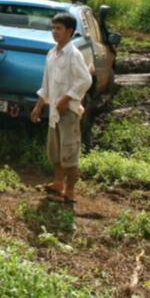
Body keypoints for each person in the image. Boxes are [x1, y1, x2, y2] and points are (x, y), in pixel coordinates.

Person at [30, 12, 92, 203]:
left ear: (70, 31)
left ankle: (70, 191)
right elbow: (46, 83)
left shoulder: (73, 54)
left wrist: (67, 99)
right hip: (54, 112)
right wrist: (39, 105)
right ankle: (58, 182)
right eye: (53, 28)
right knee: (55, 150)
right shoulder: (52, 53)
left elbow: (85, 79)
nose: (54, 32)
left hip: (68, 112)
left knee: (69, 152)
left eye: (59, 28)